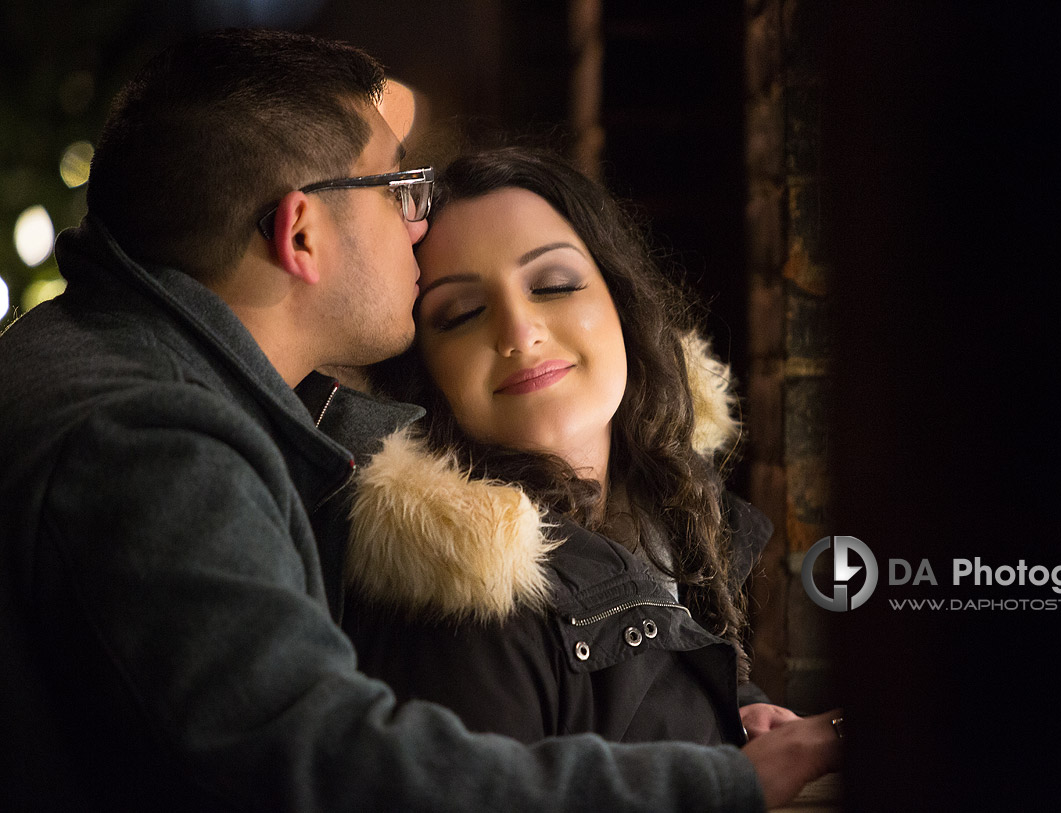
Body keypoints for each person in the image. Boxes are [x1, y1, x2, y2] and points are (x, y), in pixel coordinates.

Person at [0, 27, 839, 811]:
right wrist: (714, 787)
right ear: (302, 232)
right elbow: (322, 764)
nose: (418, 222)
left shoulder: (118, 367)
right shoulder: (148, 439)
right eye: (400, 189)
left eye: (553, 283)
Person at [304, 147, 814, 747]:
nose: (520, 332)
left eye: (553, 284)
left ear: (621, 303)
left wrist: (733, 713)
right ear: (422, 372)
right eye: (462, 313)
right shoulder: (462, 609)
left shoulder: (673, 506)